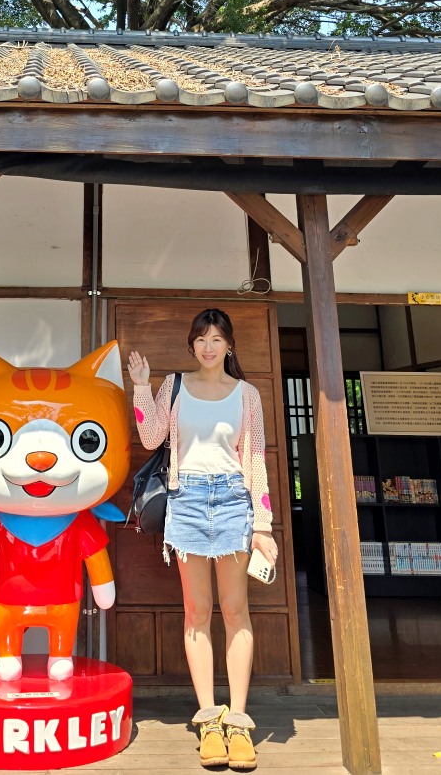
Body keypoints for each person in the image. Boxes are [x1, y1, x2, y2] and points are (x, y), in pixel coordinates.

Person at [127, 308, 277, 772]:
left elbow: (254, 461)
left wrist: (263, 525)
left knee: (235, 611)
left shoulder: (247, 395)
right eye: (201, 338)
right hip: (187, 500)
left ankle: (238, 721)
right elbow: (151, 438)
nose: (208, 346)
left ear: (229, 345)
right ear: (192, 344)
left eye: (217, 338)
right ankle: (209, 721)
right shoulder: (173, 386)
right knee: (196, 612)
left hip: (233, 502)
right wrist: (140, 386)